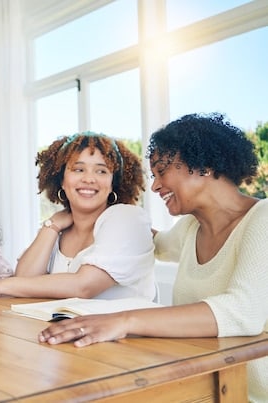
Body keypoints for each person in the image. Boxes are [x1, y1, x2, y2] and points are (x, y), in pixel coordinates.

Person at [37, 113, 268, 402]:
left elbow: (241, 312)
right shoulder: (191, 228)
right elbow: (149, 240)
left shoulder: (263, 219)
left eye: (161, 171)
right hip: (199, 385)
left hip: (250, 394)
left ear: (204, 166)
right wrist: (99, 217)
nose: (155, 186)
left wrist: (123, 321)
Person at [0, 132, 156, 301]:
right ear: (61, 180)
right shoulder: (58, 228)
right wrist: (51, 227)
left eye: (101, 172)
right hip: (72, 341)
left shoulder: (127, 219)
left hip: (128, 347)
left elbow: (84, 287)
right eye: (78, 169)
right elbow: (26, 279)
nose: (89, 179)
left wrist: (0, 285)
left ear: (113, 183)